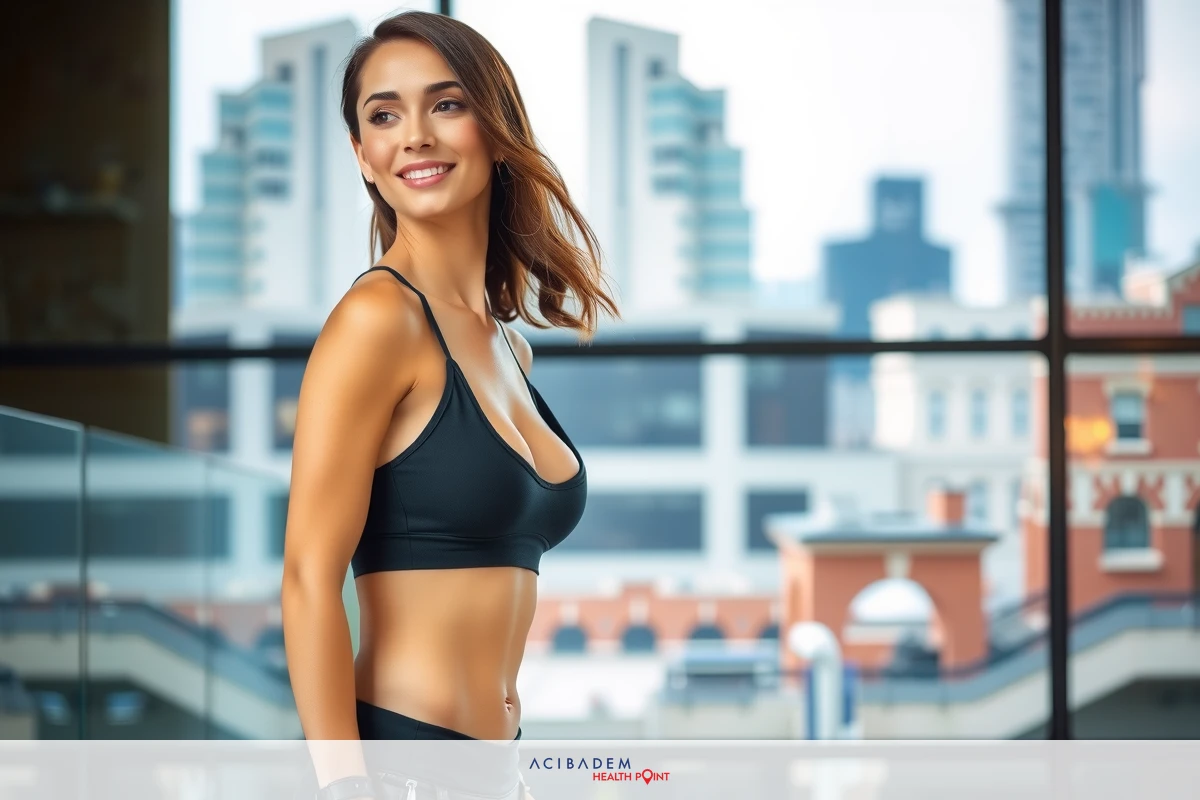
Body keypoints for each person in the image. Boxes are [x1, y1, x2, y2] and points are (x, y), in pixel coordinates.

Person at [279, 9, 620, 800]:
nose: (415, 136)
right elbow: (306, 575)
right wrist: (344, 785)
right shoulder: (377, 322)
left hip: (500, 769)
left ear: (495, 130)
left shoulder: (507, 345)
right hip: (400, 769)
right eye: (384, 115)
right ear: (363, 157)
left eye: (447, 103)